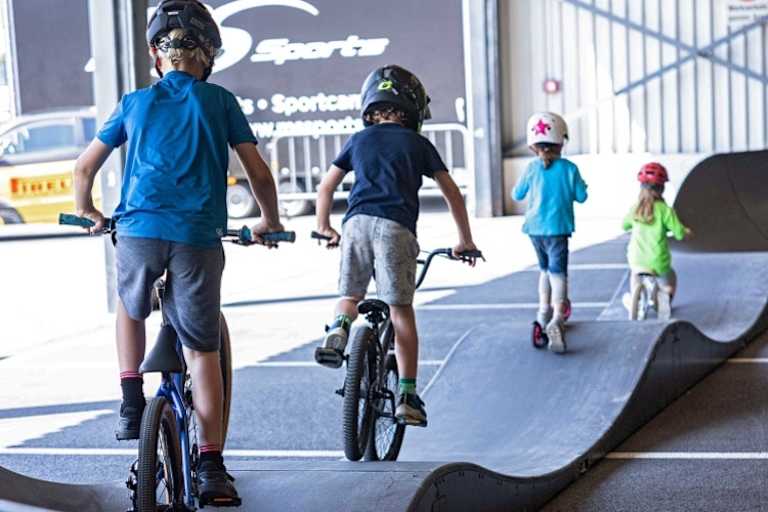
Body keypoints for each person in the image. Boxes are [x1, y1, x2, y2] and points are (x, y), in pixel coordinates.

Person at [72, 0, 282, 505]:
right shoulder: (220, 101)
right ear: (207, 56)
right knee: (201, 351)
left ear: (154, 55)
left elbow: (83, 169)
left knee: (130, 307)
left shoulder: (133, 102)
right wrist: (269, 222)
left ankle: (129, 400)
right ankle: (211, 467)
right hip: (195, 238)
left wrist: (89, 212)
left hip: (139, 230)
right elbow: (257, 172)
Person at [312, 65, 478, 427]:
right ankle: (407, 394)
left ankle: (339, 327)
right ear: (412, 110)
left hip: (354, 224)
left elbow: (326, 187)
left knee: (350, 296)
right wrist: (464, 239)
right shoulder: (418, 144)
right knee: (400, 311)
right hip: (395, 228)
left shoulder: (358, 140)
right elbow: (451, 192)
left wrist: (324, 227)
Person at [512, 112, 588, 353]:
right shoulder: (569, 169)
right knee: (558, 273)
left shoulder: (531, 168)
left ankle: (541, 314)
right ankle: (557, 316)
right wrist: (581, 185)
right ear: (561, 141)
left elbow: (517, 195)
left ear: (533, 144)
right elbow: (582, 197)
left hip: (535, 230)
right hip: (558, 229)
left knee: (544, 270)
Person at [622, 162, 691, 319]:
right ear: (662, 189)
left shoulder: (635, 209)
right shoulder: (665, 211)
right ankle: (665, 299)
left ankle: (636, 297)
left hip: (636, 259)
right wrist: (686, 232)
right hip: (658, 261)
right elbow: (679, 233)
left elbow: (624, 225)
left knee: (634, 273)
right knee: (670, 277)